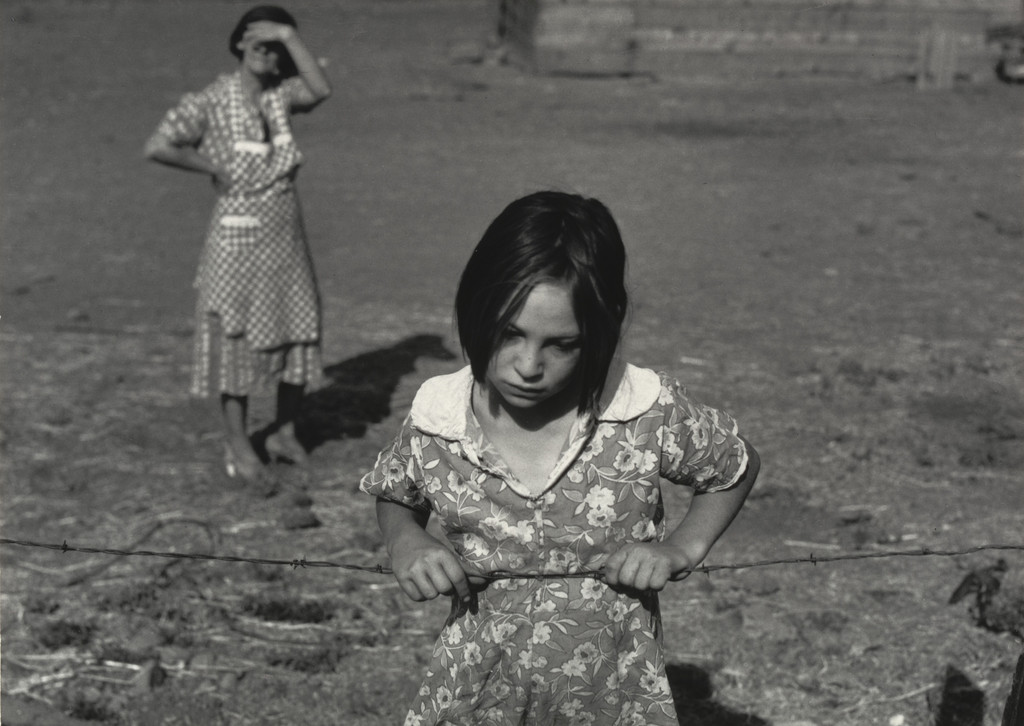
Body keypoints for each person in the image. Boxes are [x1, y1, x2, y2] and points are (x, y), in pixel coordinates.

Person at [360, 191, 761, 725]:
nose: (529, 365)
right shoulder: (442, 418)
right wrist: (405, 539)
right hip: (477, 694)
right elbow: (394, 491)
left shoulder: (640, 412)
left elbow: (734, 465)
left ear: (602, 328)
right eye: (509, 333)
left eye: (561, 344)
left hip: (611, 696)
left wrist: (682, 549)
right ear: (476, 309)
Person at [144, 6, 331, 491]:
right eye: (260, 45)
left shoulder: (280, 97)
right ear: (240, 47)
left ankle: (285, 432)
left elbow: (320, 89)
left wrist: (289, 35)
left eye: (276, 48)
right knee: (236, 341)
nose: (269, 55)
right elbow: (160, 144)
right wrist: (212, 167)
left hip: (285, 232)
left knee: (297, 326)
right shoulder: (210, 100)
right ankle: (238, 443)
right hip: (236, 237)